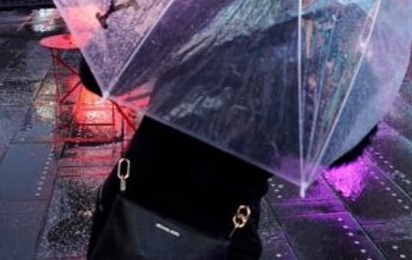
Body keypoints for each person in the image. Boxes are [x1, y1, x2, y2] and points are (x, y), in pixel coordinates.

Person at [82, 58, 377, 259]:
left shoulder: (199, 8)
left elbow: (96, 74)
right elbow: (345, 144)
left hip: (142, 204)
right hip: (216, 224)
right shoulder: (314, 44)